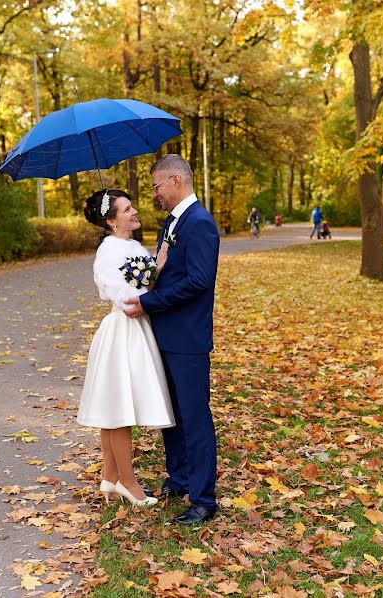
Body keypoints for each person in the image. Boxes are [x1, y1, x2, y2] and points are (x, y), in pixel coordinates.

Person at [124, 154, 220, 525]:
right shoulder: (171, 224)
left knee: (194, 417)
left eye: (156, 186)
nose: (154, 194)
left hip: (188, 338)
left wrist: (150, 302)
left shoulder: (200, 224)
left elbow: (198, 281)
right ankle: (179, 478)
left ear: (176, 181)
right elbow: (167, 273)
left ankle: (203, 498)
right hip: (164, 334)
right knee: (172, 415)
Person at [78, 189, 174, 508]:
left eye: (132, 206)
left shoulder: (133, 245)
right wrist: (143, 289)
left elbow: (145, 284)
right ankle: (129, 484)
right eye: (126, 209)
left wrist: (157, 266)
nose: (134, 212)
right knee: (119, 408)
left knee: (115, 407)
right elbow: (120, 294)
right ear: (111, 221)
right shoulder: (107, 251)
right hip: (122, 329)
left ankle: (110, 475)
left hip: (139, 328)